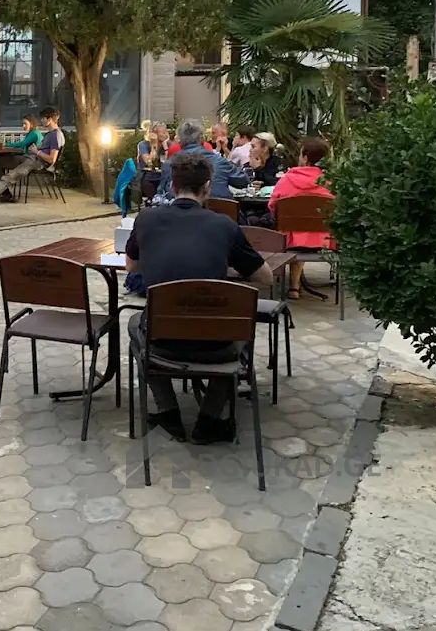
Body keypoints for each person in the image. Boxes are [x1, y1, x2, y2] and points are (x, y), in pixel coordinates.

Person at [126, 151, 273, 443]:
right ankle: (209, 418)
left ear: (172, 186)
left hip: (162, 342)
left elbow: (132, 266)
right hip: (216, 345)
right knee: (240, 328)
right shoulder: (224, 225)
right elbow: (265, 277)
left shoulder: (146, 219)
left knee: (135, 324)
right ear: (207, 188)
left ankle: (168, 411)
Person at [268, 137, 334, 300]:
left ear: (304, 157)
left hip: (290, 241)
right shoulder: (330, 182)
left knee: (294, 230)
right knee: (304, 230)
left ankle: (293, 287)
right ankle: (294, 286)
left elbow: (272, 207)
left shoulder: (287, 179)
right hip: (324, 242)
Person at [0, 107, 64, 203]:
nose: (41, 120)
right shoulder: (50, 134)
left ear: (49, 119)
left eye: (43, 118)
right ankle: (0, 190)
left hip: (37, 162)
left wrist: (36, 152)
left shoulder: (55, 135)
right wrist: (36, 150)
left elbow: (52, 159)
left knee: (10, 177)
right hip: (31, 158)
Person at [157, 119, 248, 201]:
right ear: (201, 139)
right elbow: (243, 182)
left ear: (179, 140)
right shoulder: (219, 161)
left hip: (181, 212)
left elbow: (162, 193)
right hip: (220, 210)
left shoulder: (169, 164)